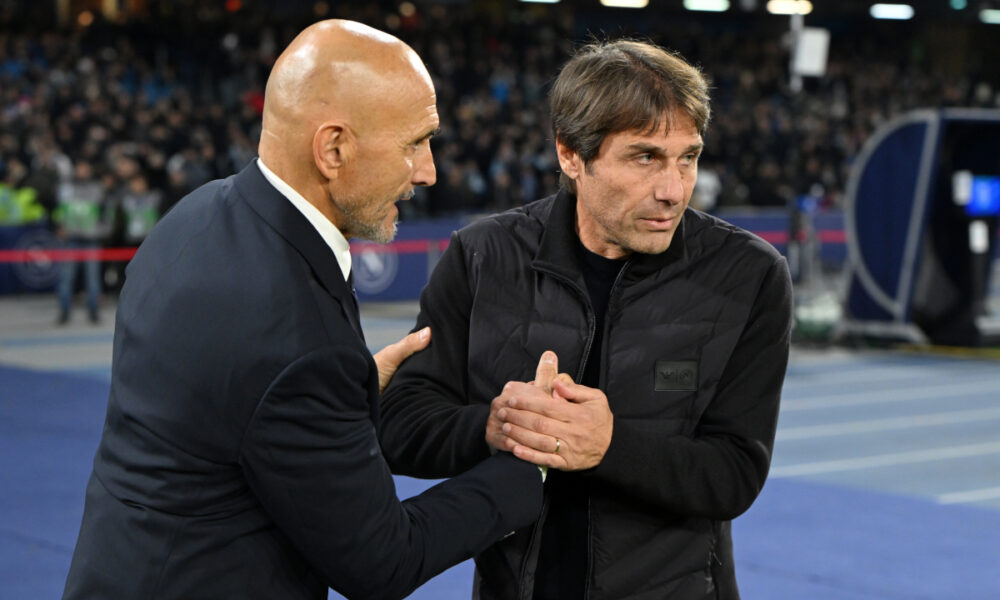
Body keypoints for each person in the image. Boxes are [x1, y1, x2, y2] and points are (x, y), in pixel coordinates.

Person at [62, 20, 543, 600]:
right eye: (414, 143)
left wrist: (344, 392)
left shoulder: (194, 217)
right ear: (333, 149)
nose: (428, 171)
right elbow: (385, 560)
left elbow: (236, 405)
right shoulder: (298, 339)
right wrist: (530, 467)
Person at [380, 39, 793, 599]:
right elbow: (401, 422)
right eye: (645, 158)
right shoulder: (482, 257)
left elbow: (735, 474)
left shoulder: (748, 275)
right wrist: (494, 427)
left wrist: (609, 445)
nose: (673, 190)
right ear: (571, 154)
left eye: (688, 158)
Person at [53, 159, 112, 324]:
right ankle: (64, 311)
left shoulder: (98, 189)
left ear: (90, 170)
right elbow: (57, 210)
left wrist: (103, 230)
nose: (82, 171)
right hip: (70, 239)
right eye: (79, 168)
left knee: (93, 279)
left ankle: (93, 311)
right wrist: (59, 226)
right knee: (66, 278)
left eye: (85, 168)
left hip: (91, 239)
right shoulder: (65, 189)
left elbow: (107, 212)